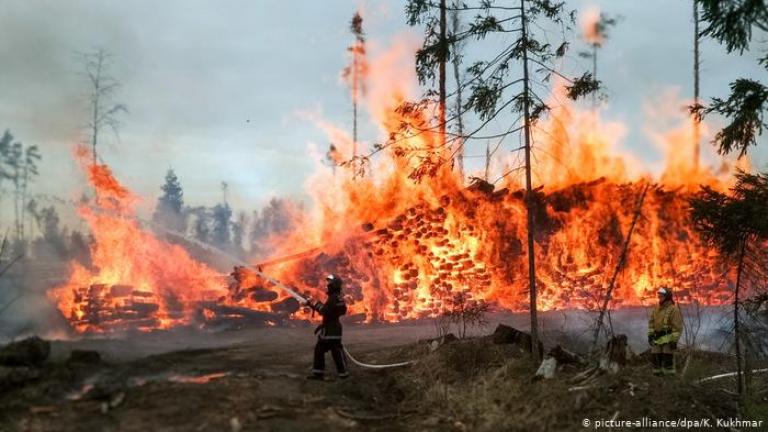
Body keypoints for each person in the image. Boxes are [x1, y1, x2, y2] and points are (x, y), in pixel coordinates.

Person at [307, 274, 349, 380]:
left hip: (330, 330)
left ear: (334, 285)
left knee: (321, 349)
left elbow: (325, 311)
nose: (328, 285)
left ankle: (318, 374)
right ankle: (343, 374)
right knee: (335, 351)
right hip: (334, 328)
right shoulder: (338, 297)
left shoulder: (333, 298)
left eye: (330, 283)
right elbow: (340, 311)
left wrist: (314, 304)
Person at [648, 286, 684, 376]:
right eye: (658, 296)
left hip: (668, 340)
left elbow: (677, 327)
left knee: (667, 361)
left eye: (661, 296)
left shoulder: (673, 309)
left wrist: (674, 341)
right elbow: (651, 323)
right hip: (657, 338)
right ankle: (657, 382)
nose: (659, 298)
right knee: (656, 361)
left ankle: (669, 382)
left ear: (667, 297)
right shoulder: (656, 308)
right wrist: (650, 335)